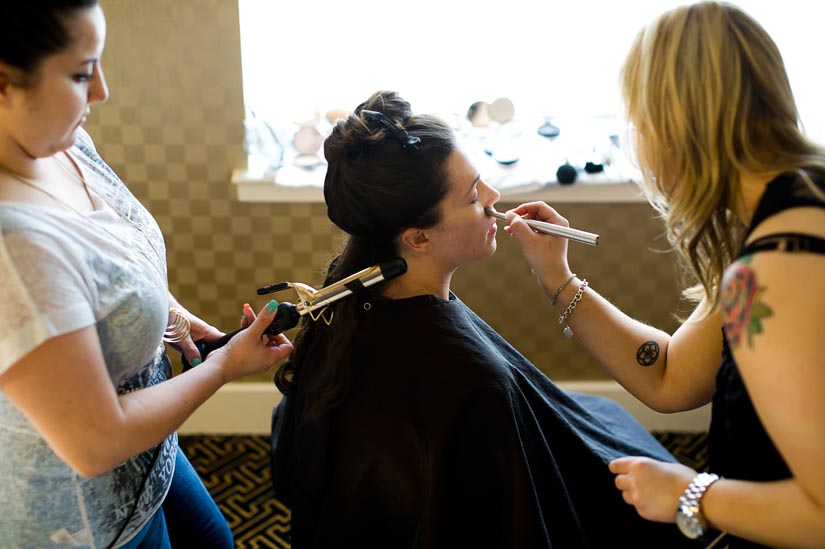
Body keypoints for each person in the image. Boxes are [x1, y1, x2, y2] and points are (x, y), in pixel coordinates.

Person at [269, 90, 695, 548]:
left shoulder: (344, 303)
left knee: (603, 415)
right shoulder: (471, 381)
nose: (494, 199)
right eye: (474, 197)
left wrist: (559, 274)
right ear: (417, 237)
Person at [503, 2, 825, 548]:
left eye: (639, 122)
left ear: (673, 125)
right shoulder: (793, 209)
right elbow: (673, 377)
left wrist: (692, 492)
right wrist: (555, 274)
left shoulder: (770, 272)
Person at [0, 2, 293, 547]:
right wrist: (227, 363)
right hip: (88, 513)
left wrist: (172, 317)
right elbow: (94, 440)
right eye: (82, 73)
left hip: (150, 447)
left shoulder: (62, 145)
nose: (102, 91)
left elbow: (110, 259)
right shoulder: (12, 249)